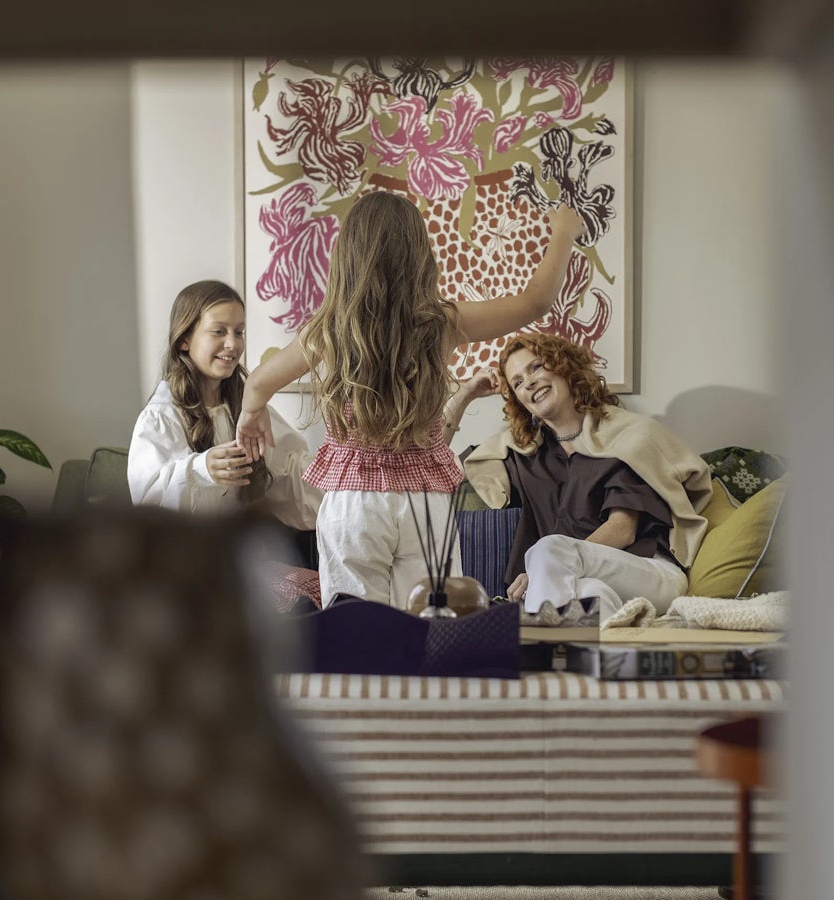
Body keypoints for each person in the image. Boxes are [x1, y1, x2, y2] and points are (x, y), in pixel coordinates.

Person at [236, 191, 584, 608]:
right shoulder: (443, 322)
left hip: (353, 503)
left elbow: (256, 384)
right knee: (429, 630)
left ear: (347, 256)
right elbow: (536, 301)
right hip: (423, 504)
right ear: (420, 255)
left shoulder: (329, 329)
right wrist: (564, 232)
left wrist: (251, 415)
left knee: (357, 636)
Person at [460, 332, 712, 617]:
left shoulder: (624, 436)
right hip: (581, 582)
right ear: (518, 399)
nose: (528, 381)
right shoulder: (524, 455)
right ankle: (591, 652)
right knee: (592, 597)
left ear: (563, 364)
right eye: (517, 382)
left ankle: (533, 652)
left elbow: (623, 529)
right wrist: (466, 394)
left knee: (548, 550)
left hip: (651, 572)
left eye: (536, 367)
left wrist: (542, 570)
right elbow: (429, 466)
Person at [128, 279, 321, 530]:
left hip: (234, 554)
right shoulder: (161, 416)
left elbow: (291, 475)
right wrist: (202, 470)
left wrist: (342, 472)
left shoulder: (249, 412)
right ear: (184, 339)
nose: (233, 344)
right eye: (219, 331)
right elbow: (148, 501)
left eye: (239, 332)